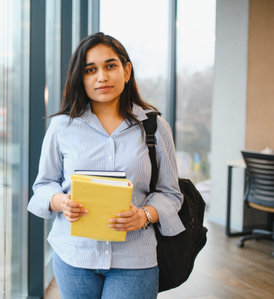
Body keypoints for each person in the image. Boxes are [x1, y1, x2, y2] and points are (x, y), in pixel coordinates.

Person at [27, 32, 185, 299]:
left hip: (134, 260)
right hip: (74, 257)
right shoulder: (62, 127)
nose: (102, 76)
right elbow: (43, 185)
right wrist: (59, 201)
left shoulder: (155, 127)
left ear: (126, 70)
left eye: (110, 66)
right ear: (81, 78)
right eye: (91, 70)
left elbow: (171, 193)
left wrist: (145, 214)